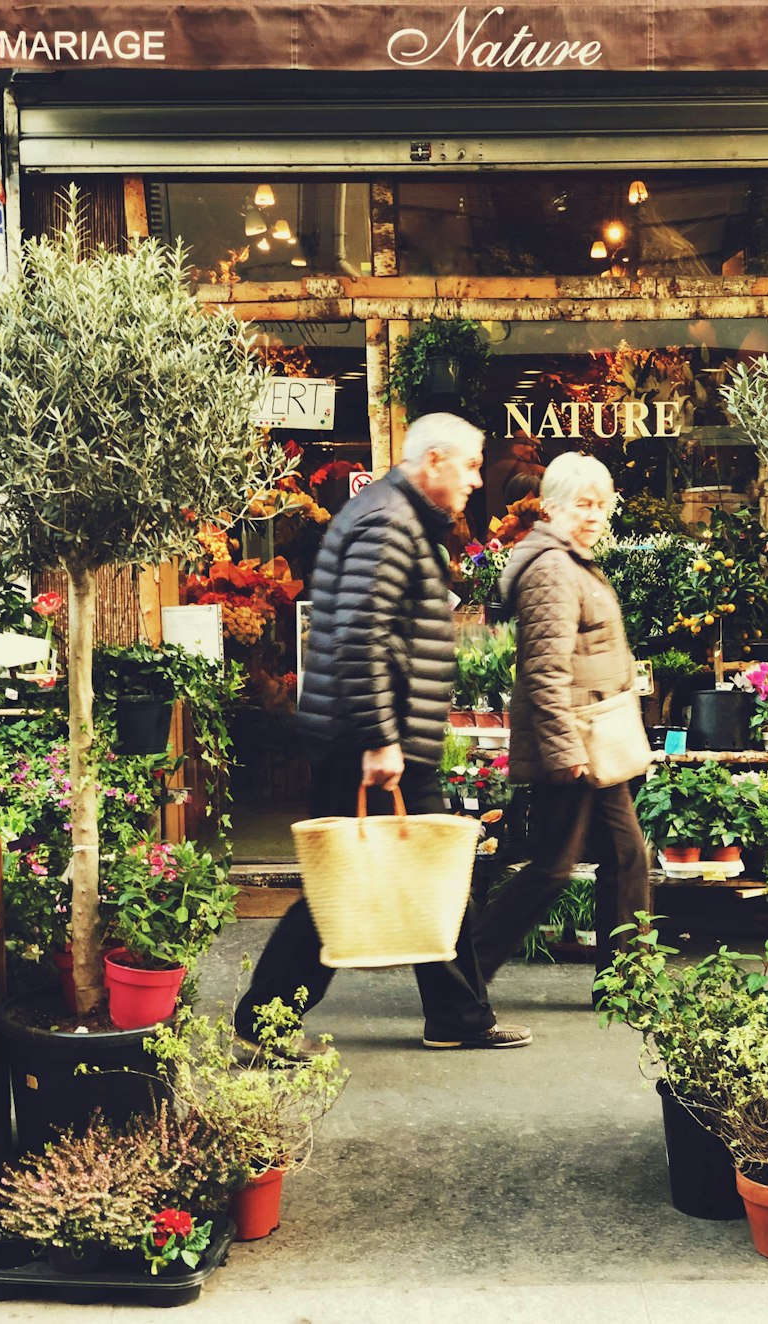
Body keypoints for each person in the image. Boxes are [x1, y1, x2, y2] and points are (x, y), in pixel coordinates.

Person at [235, 413, 531, 1051]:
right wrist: (378, 738)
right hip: (364, 736)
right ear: (433, 462)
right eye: (471, 465)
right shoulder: (387, 523)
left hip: (380, 731)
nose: (478, 481)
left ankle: (457, 1017)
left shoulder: (398, 519)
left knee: (424, 870)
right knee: (347, 881)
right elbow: (359, 637)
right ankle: (263, 1016)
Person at [473, 451, 651, 988]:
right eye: (582, 505)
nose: (594, 516)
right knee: (553, 868)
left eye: (601, 505)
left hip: (592, 735)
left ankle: (624, 984)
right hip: (575, 740)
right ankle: (463, 975)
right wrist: (566, 750)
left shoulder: (571, 561)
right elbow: (544, 671)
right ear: (550, 507)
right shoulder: (551, 568)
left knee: (625, 856)